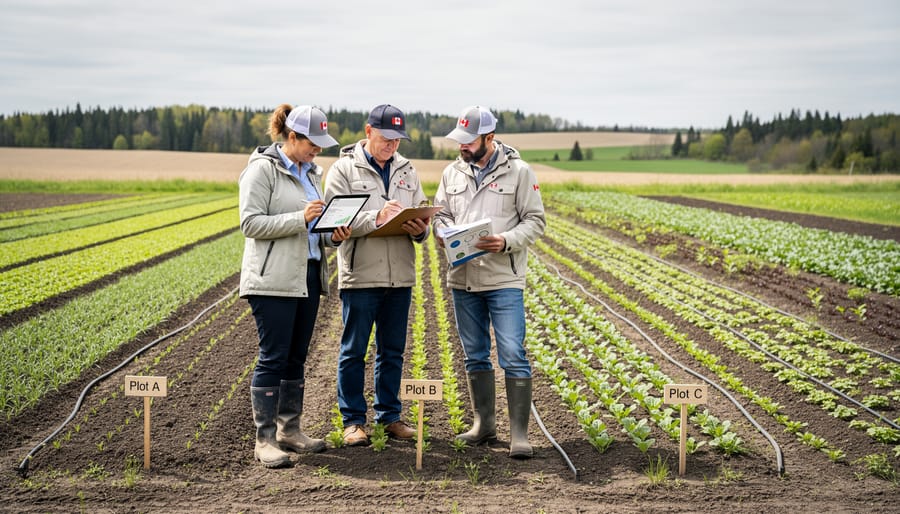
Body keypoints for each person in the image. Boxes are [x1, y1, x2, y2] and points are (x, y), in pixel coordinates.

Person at [238, 104, 351, 468]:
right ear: (292, 137)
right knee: (273, 356)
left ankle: (290, 430)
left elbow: (312, 231)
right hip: (272, 279)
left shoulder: (311, 172)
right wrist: (299, 218)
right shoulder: (262, 170)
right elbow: (251, 224)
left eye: (321, 143)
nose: (318, 149)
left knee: (296, 357)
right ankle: (265, 440)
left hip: (307, 273)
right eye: (312, 142)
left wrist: (333, 235)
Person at [433, 105, 546, 459]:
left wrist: (506, 240)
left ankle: (519, 435)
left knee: (512, 353)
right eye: (460, 140)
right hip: (464, 278)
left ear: (490, 138)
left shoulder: (519, 172)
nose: (462, 146)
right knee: (474, 354)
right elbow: (441, 214)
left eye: (469, 141)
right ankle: (484, 425)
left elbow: (535, 221)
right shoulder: (451, 173)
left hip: (504, 278)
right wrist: (441, 233)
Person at [323, 104, 430, 446]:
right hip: (361, 275)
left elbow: (421, 208)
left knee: (393, 350)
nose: (392, 146)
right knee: (354, 349)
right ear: (368, 132)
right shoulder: (342, 170)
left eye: (398, 140)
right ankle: (353, 421)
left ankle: (389, 417)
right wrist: (377, 218)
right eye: (386, 139)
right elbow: (333, 221)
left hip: (400, 275)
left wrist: (419, 228)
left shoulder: (407, 170)